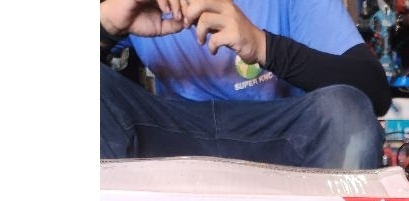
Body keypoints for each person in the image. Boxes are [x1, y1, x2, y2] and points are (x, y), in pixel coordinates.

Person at [100, 0, 393, 169]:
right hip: (174, 141)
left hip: (281, 144)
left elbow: (374, 90)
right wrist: (105, 26)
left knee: (345, 113)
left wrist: (262, 45)